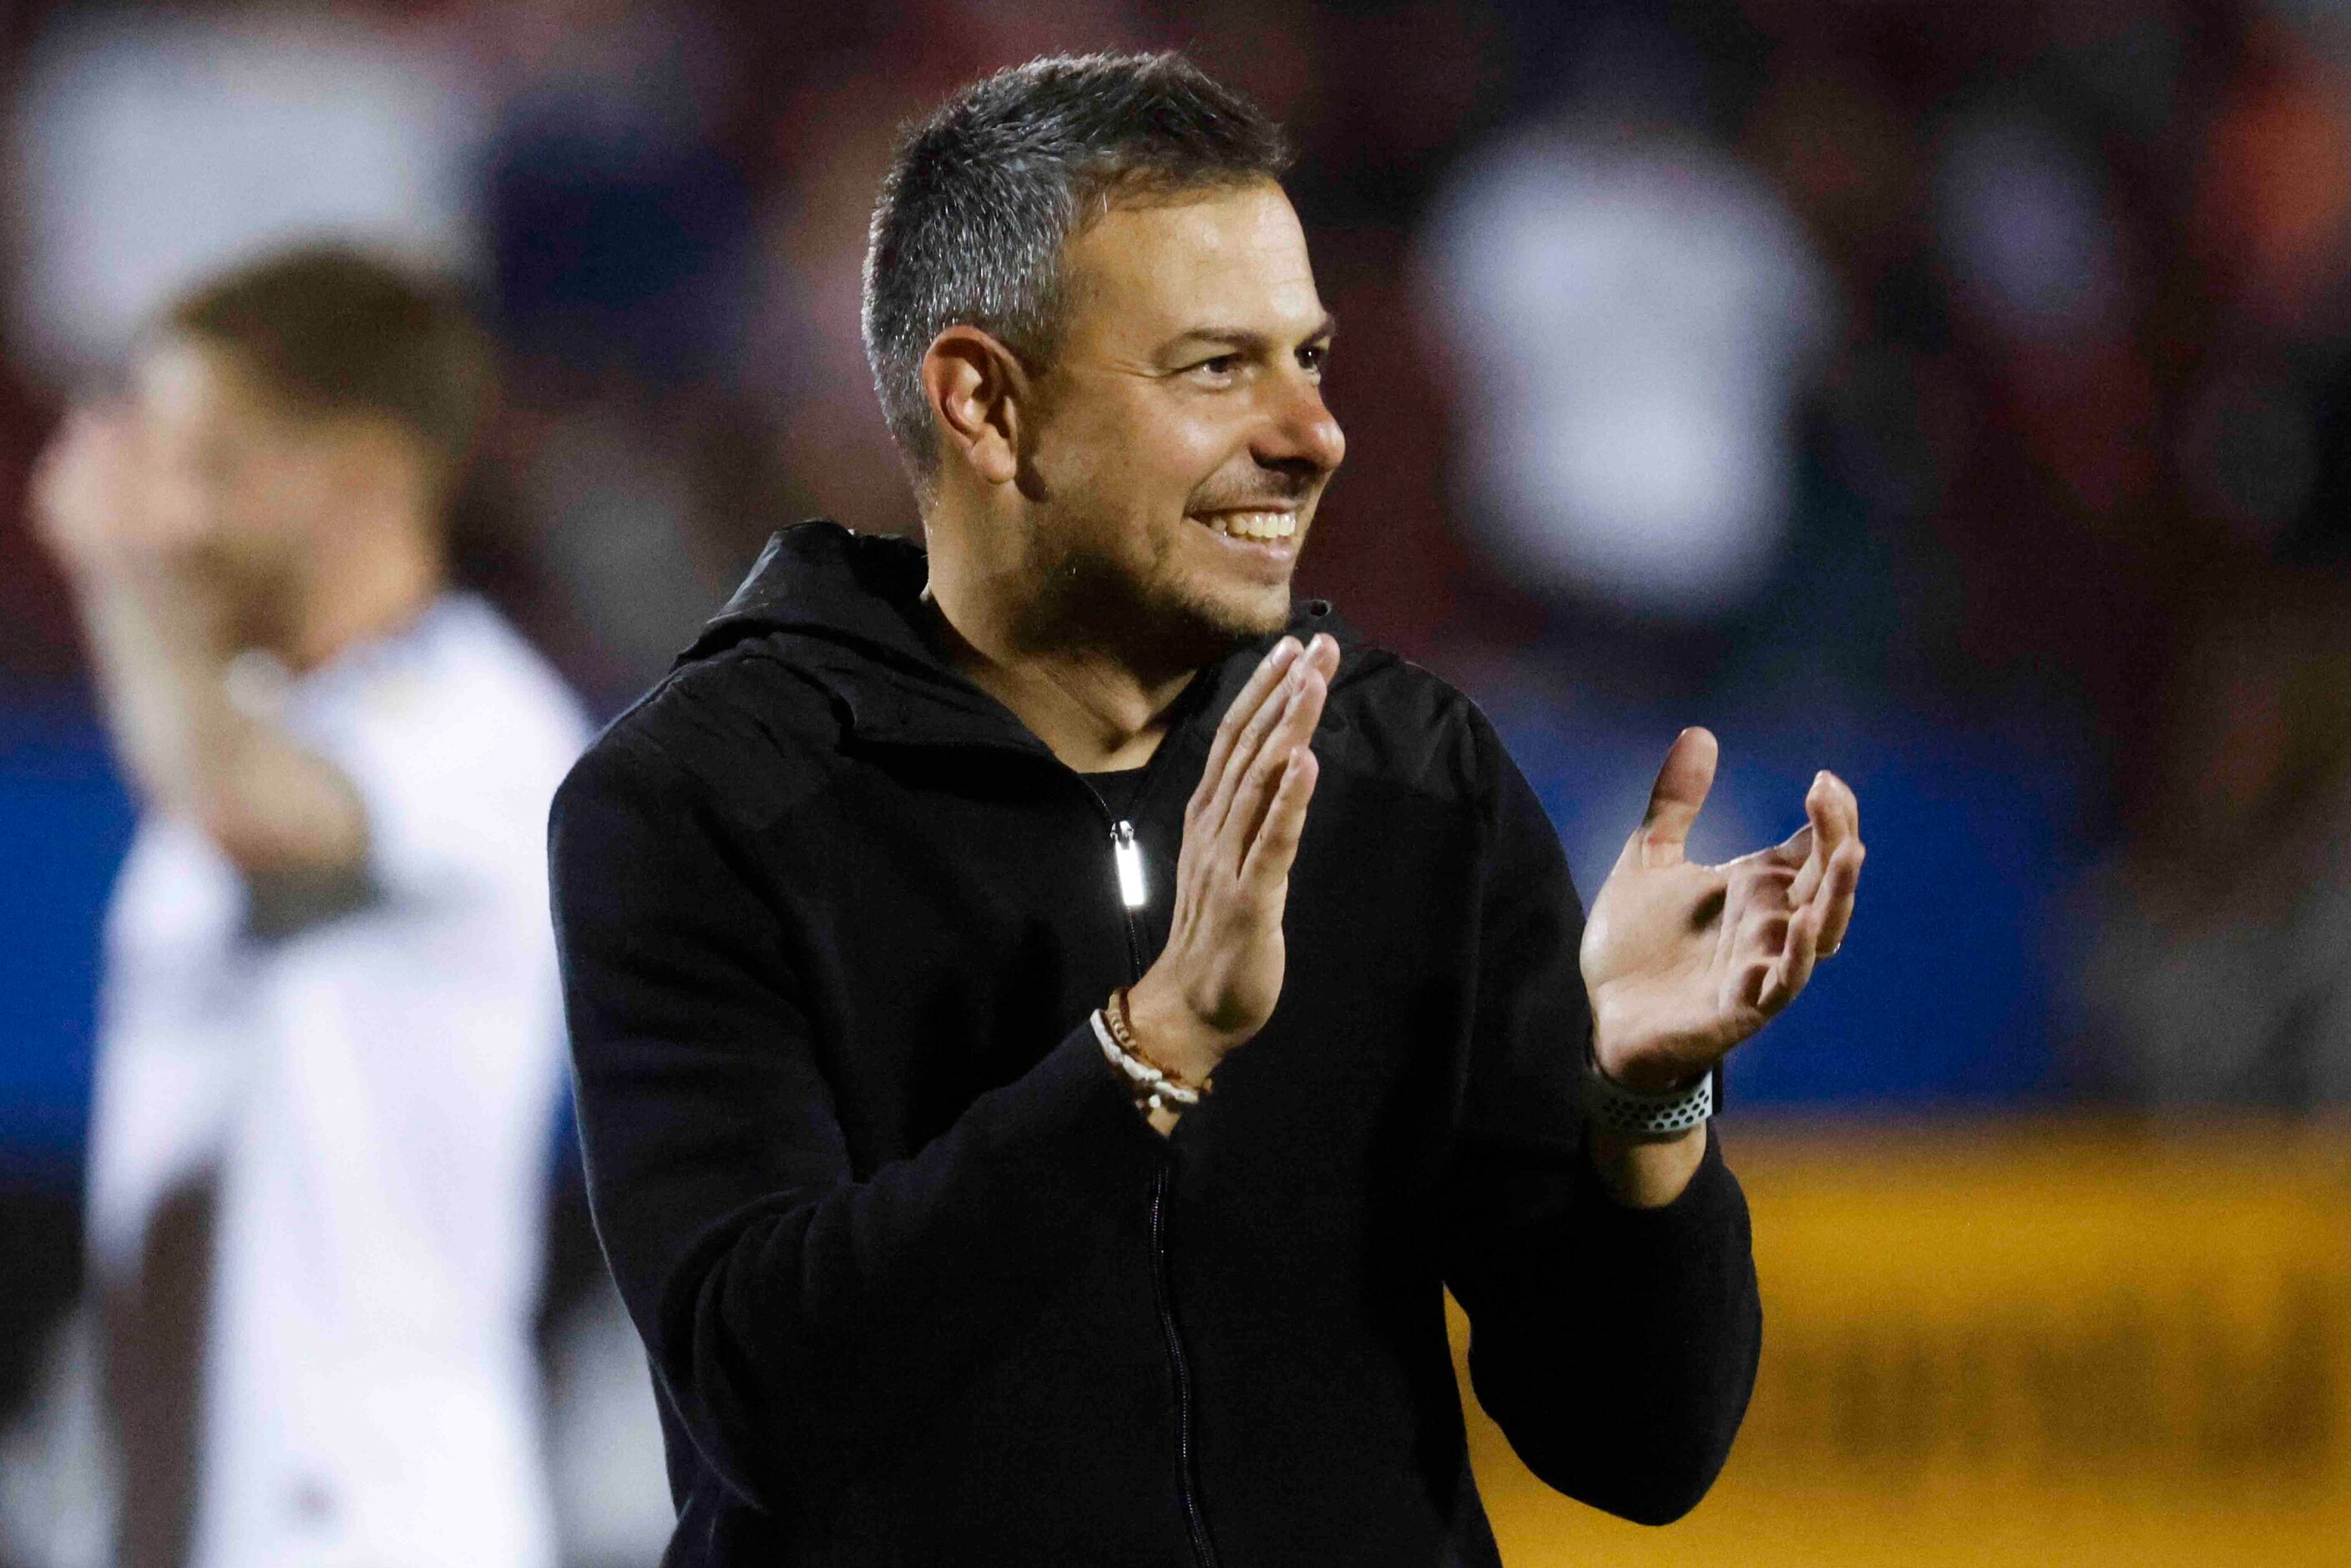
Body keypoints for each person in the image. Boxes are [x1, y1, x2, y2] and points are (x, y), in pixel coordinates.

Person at [549, 53, 1865, 1567]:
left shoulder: (1406, 772)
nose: (1313, 433)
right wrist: (1143, 1055)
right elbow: (765, 1399)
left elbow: (1638, 1449)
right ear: (984, 402)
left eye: (1308, 359)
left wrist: (1642, 1108)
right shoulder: (702, 800)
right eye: (1216, 367)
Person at [31, 247, 588, 1568]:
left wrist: (121, 574)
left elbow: (252, 808)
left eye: (212, 463)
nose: (175, 514)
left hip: (378, 1521)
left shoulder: (482, 720)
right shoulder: (251, 729)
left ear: (361, 477)